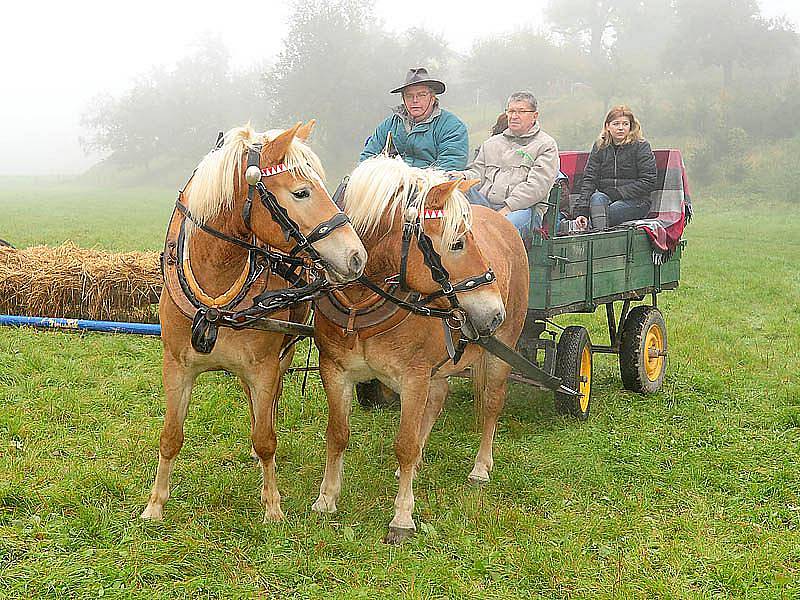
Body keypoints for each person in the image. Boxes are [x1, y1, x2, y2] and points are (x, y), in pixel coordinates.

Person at [450, 91, 559, 238]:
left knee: (498, 232)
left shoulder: (545, 145)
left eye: (521, 111)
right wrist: (461, 176)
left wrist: (507, 209)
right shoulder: (491, 143)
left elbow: (536, 187)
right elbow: (477, 174)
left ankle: (490, 260)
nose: (514, 116)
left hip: (523, 210)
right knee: (453, 187)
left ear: (535, 115)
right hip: (485, 204)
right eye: (511, 111)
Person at [360, 67, 469, 170]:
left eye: (421, 95)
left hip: (431, 186)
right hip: (391, 185)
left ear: (432, 98)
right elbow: (367, 158)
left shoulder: (452, 126)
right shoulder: (389, 125)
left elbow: (451, 165)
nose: (415, 100)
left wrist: (412, 180)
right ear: (403, 99)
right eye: (409, 95)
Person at [574, 105, 657, 230]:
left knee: (604, 213)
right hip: (605, 198)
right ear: (607, 126)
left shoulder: (641, 146)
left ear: (631, 126)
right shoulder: (600, 146)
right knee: (596, 198)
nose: (620, 128)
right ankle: (600, 235)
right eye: (616, 124)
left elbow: (648, 181)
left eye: (625, 124)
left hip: (636, 201)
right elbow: (589, 179)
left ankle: (597, 240)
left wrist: (618, 193)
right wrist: (582, 211)